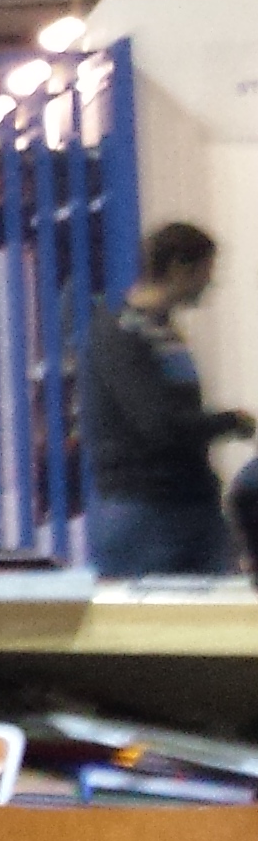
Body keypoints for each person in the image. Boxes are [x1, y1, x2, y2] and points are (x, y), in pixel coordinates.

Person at [84, 221, 251, 575]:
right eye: (206, 270)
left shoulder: (164, 332)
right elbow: (157, 424)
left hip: (191, 504)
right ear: (178, 267)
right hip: (144, 510)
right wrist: (229, 422)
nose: (210, 283)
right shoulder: (122, 334)